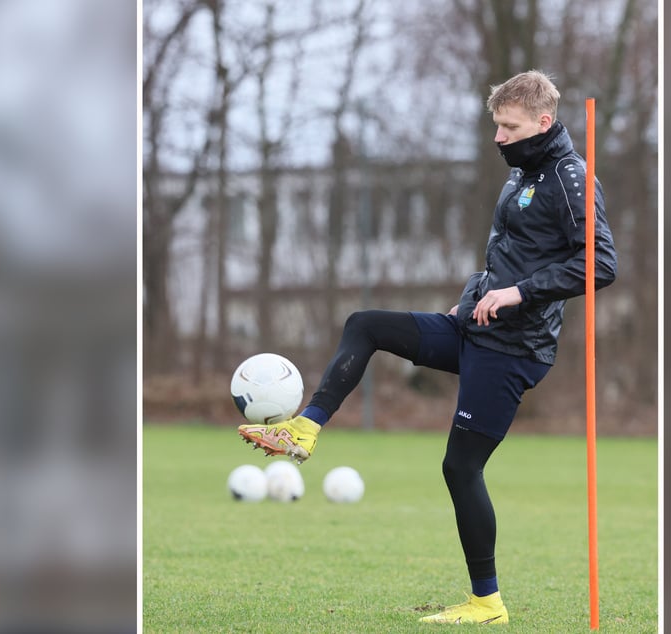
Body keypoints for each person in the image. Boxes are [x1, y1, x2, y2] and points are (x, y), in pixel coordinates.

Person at [237, 70, 617, 625]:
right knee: (365, 324)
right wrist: (471, 298)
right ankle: (305, 429)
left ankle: (487, 603)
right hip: (475, 328)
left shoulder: (572, 178)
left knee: (461, 469)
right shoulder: (519, 178)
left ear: (542, 121)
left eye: (508, 127)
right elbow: (501, 257)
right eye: (495, 126)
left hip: (514, 349)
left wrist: (516, 294)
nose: (498, 138)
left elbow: (600, 264)